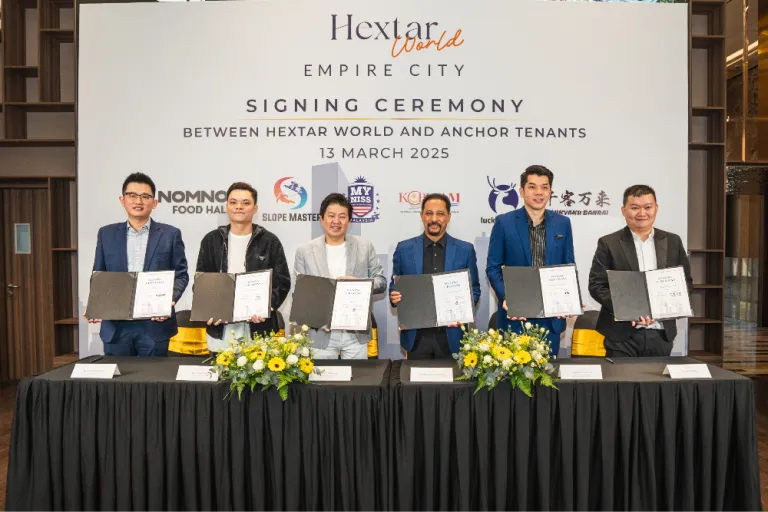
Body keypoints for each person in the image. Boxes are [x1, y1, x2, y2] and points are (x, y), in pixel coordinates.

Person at [87, 172, 189, 356]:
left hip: (155, 325)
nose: (138, 201)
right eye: (132, 195)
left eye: (145, 196)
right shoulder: (106, 234)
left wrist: (168, 300)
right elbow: (98, 275)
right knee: (118, 375)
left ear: (154, 203)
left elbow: (181, 275)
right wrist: (97, 303)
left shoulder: (170, 234)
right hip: (116, 326)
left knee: (155, 374)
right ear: (122, 200)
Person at [588, 184, 693, 357]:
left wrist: (663, 309)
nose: (642, 213)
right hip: (621, 336)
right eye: (635, 208)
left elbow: (685, 283)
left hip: (661, 333)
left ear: (656, 208)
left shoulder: (673, 241)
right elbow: (597, 286)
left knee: (657, 376)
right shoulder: (609, 243)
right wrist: (629, 310)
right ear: (623, 210)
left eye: (647, 207)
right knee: (620, 376)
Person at [486, 165, 575, 357]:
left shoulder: (563, 223)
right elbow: (493, 268)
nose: (539, 193)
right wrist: (507, 297)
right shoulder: (504, 222)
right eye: (532, 187)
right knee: (513, 373)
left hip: (551, 317)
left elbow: (568, 266)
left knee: (548, 372)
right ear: (521, 191)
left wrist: (569, 298)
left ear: (550, 191)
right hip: (515, 316)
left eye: (544, 187)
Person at [196, 182, 291, 352]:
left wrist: (267, 307)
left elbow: (282, 282)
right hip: (221, 329)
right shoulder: (211, 240)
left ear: (255, 208)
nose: (239, 207)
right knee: (221, 369)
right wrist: (210, 309)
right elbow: (201, 280)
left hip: (258, 328)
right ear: (227, 206)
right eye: (233, 202)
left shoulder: (270, 241)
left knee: (260, 368)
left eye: (245, 203)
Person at [294, 193, 387, 359]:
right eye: (331, 216)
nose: (336, 221)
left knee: (357, 376)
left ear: (349, 220)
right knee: (322, 376)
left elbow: (381, 282)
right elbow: (299, 294)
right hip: (320, 332)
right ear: (321, 218)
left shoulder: (364, 246)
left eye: (342, 216)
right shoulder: (305, 250)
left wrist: (361, 284)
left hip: (355, 333)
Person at [389, 193, 481, 359]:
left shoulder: (465, 250)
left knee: (453, 377)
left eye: (440, 214)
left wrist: (463, 310)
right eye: (429, 213)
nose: (434, 219)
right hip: (416, 336)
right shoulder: (404, 249)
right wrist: (394, 296)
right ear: (421, 216)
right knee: (415, 377)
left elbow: (474, 289)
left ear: (448, 217)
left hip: (451, 336)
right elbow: (395, 284)